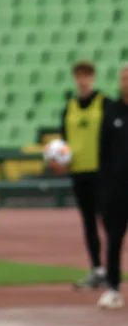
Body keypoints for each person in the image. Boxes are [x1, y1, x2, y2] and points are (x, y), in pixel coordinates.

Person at [59, 60, 108, 291]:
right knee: (89, 223)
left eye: (86, 75)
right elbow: (62, 143)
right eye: (79, 75)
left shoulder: (104, 104)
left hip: (103, 172)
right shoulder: (69, 108)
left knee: (110, 223)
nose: (83, 79)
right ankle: (97, 268)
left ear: (93, 77)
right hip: (79, 173)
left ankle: (113, 268)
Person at [95, 64, 128, 309]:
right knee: (114, 240)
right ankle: (113, 288)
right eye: (124, 78)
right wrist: (104, 190)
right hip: (117, 190)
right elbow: (103, 153)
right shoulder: (111, 111)